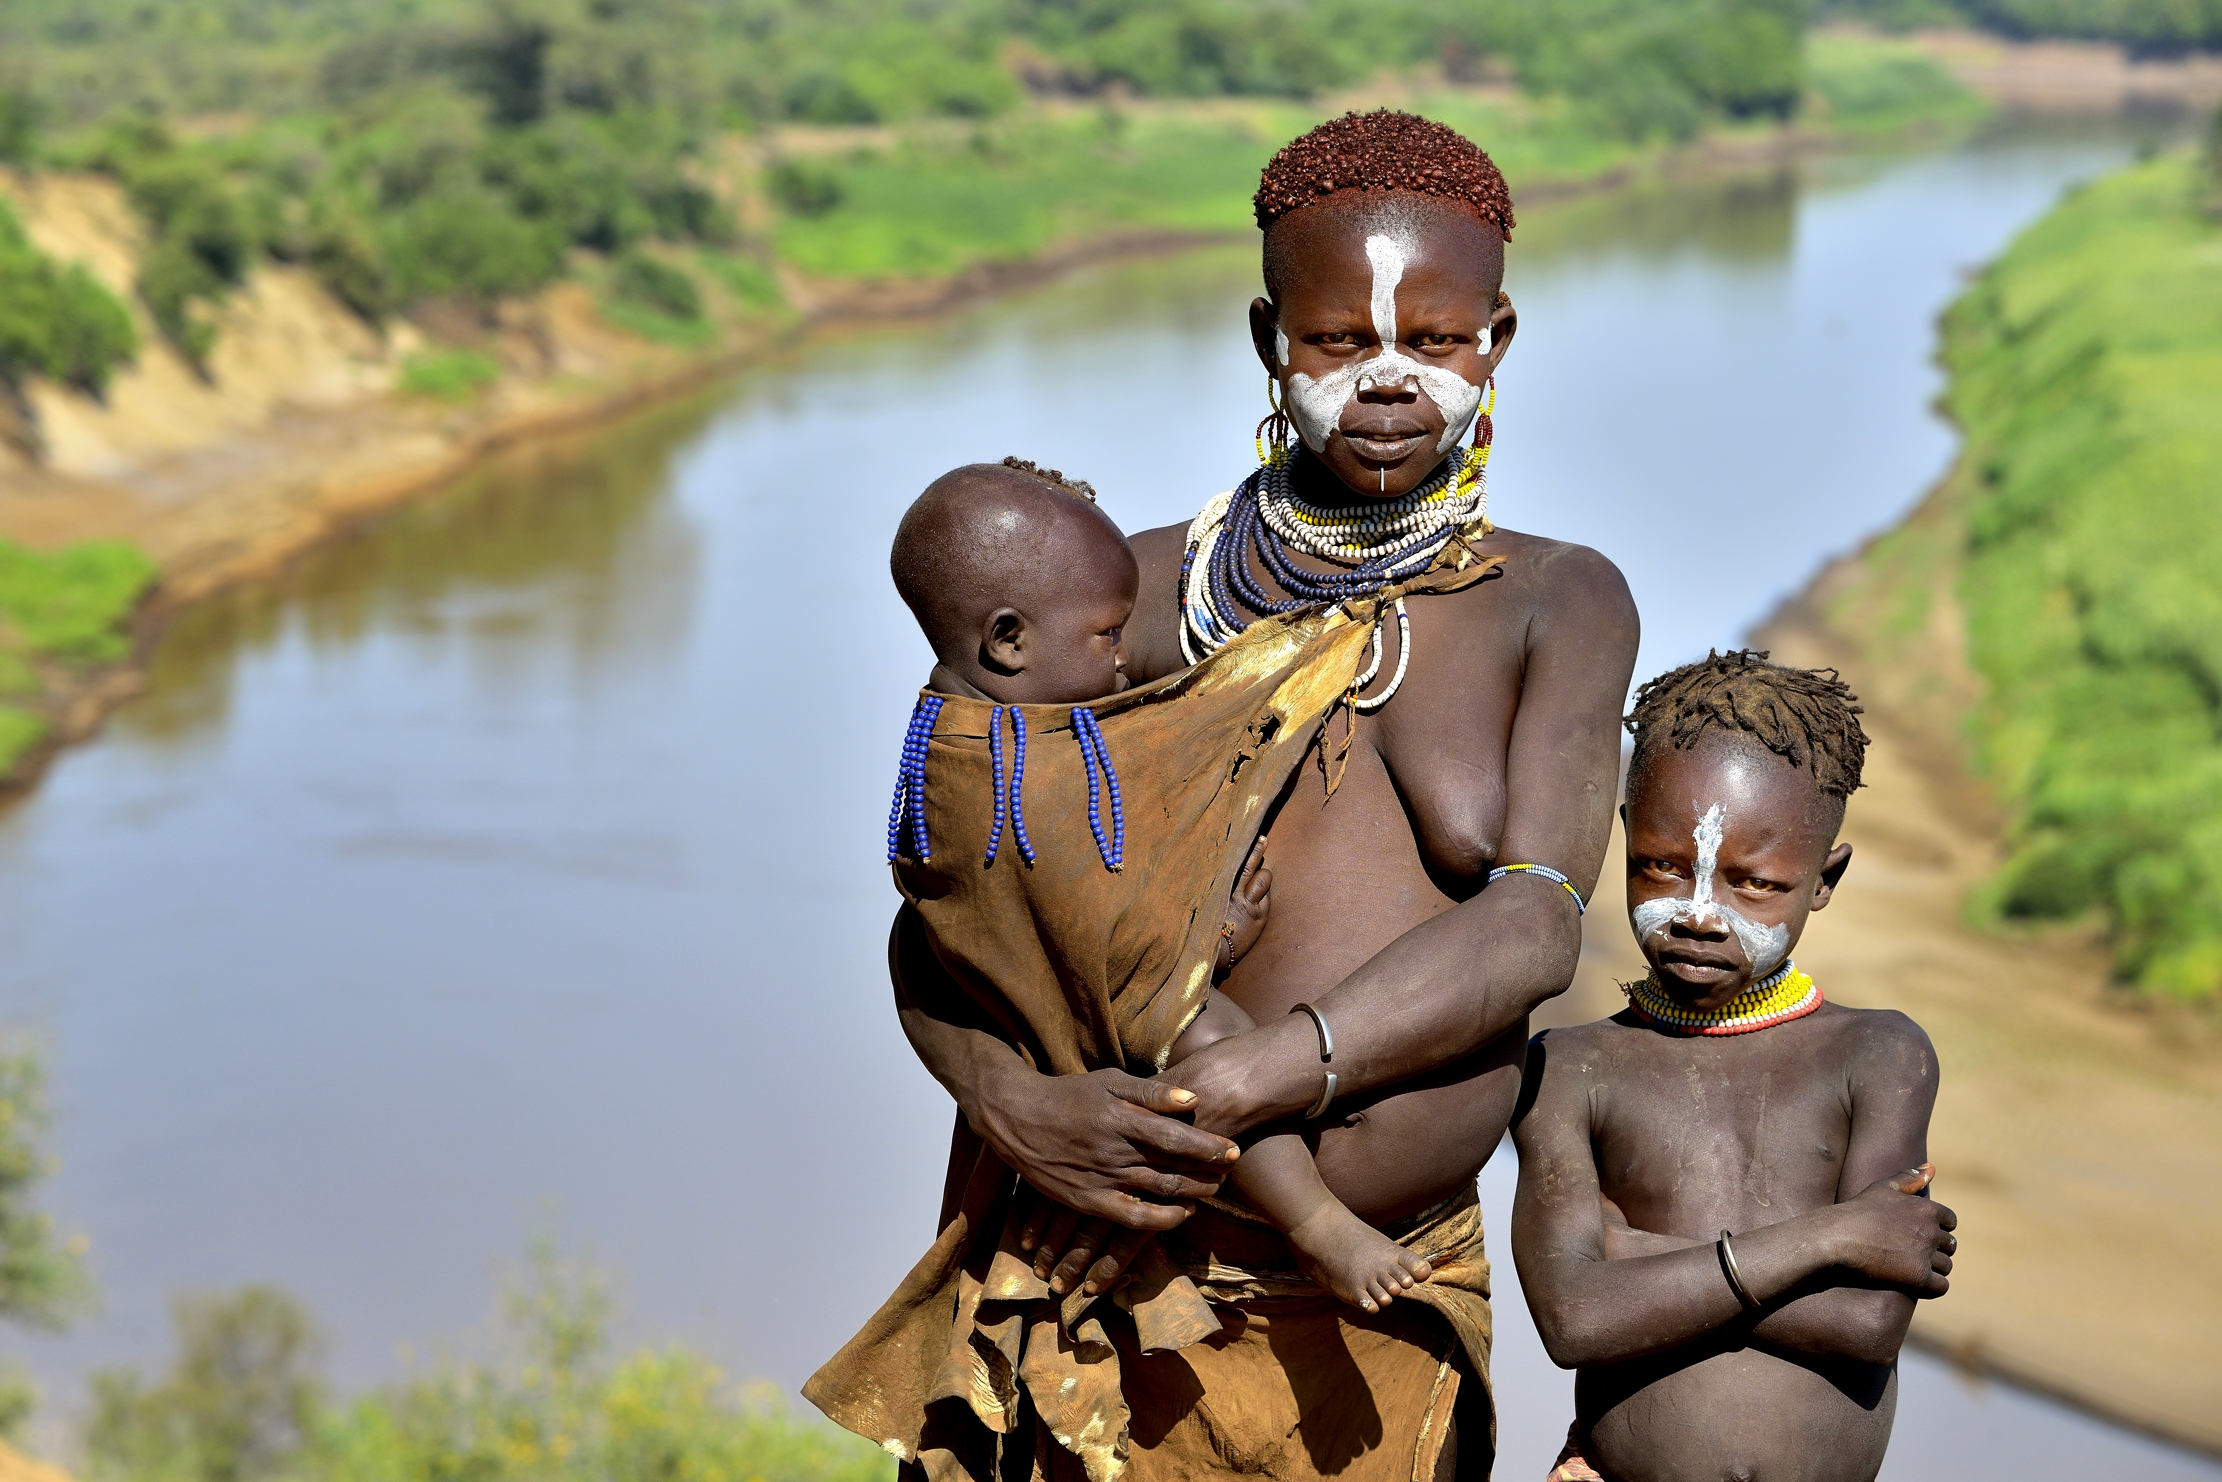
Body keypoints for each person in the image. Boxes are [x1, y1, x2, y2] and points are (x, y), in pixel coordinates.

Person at [815, 109, 1640, 1482]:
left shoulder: (1555, 601)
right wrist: (1014, 1104)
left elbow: (1537, 921)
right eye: (1336, 341)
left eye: (1433, 341)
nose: (1387, 377)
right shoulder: (1109, 600)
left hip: (1370, 1311)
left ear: (1496, 342)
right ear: (1270, 340)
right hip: (1110, 1278)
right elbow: (947, 906)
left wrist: (1256, 1075)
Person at [886, 453, 1437, 1312]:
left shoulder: (948, 743)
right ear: (1007, 640)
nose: (1121, 664)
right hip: (1100, 1041)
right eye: (1107, 636)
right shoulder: (1025, 774)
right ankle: (1318, 1224)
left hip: (1041, 1026)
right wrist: (1216, 939)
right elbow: (1106, 936)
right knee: (1212, 1048)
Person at [1509, 650, 1957, 1482]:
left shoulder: (1880, 1054)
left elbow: (1865, 1322)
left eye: (1753, 884)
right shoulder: (1573, 1066)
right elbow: (1571, 1318)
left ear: (1824, 880)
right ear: (1624, 838)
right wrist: (1833, 1236)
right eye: (1662, 866)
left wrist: (1631, 1257)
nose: (1700, 914)